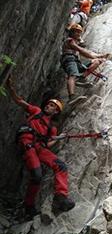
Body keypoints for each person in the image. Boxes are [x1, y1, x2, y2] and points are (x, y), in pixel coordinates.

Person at [6, 77, 75, 219]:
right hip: (28, 143)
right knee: (37, 176)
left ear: (56, 111)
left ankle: (61, 197)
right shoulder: (36, 111)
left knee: (61, 166)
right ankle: (28, 206)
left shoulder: (52, 128)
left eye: (52, 106)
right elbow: (20, 101)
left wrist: (59, 138)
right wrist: (10, 88)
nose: (48, 106)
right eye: (49, 104)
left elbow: (48, 144)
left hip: (40, 148)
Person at [61, 23, 110, 104]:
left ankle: (81, 78)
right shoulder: (69, 41)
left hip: (76, 62)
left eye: (79, 32)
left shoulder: (75, 43)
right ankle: (71, 97)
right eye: (76, 32)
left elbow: (85, 52)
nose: (78, 34)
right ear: (71, 32)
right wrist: (95, 56)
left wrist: (101, 56)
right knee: (72, 75)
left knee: (97, 62)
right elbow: (82, 51)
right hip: (69, 59)